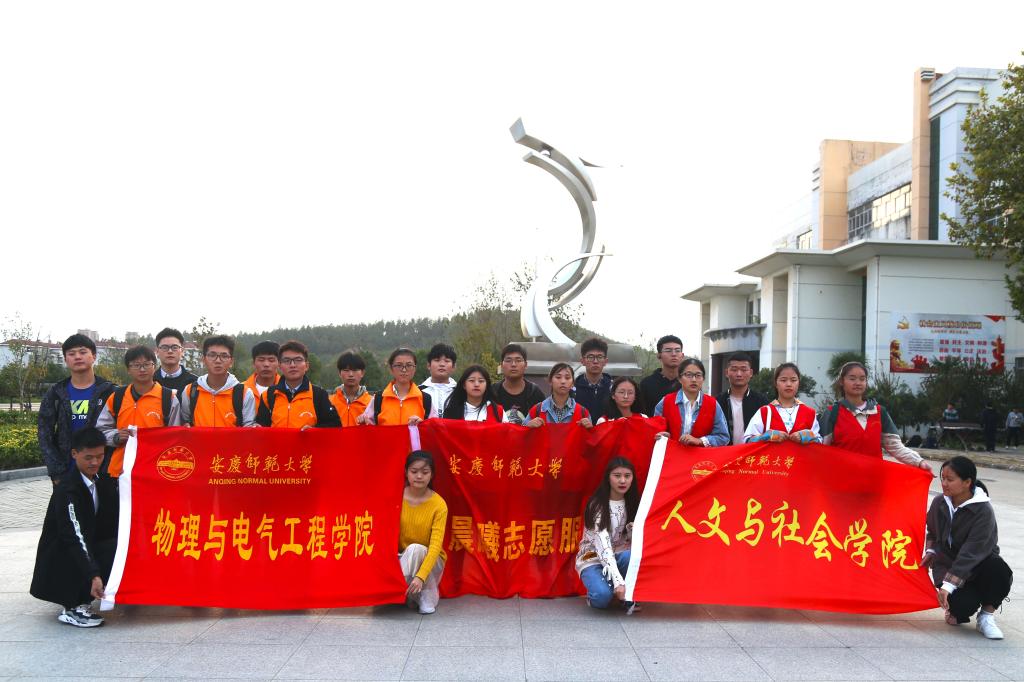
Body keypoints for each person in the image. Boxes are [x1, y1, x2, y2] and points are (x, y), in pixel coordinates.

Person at [30, 427, 118, 627]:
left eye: (99, 456)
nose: (95, 462)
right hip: (61, 557)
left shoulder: (103, 483)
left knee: (119, 546)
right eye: (88, 457)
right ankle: (74, 606)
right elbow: (74, 535)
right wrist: (93, 574)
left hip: (84, 548)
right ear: (74, 454)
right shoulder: (67, 490)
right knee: (79, 545)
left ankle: (88, 592)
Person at [924, 456, 1012, 639]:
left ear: (967, 482)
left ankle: (986, 615)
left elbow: (971, 553)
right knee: (961, 607)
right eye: (943, 478)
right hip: (947, 564)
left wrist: (948, 585)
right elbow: (931, 530)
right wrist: (931, 551)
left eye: (950, 479)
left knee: (1000, 571)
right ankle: (962, 606)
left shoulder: (983, 510)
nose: (944, 484)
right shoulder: (939, 502)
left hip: (980, 564)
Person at [819, 361, 932, 473]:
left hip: (874, 479)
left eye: (862, 379)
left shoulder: (879, 412)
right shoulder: (832, 413)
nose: (858, 383)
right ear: (841, 381)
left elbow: (895, 446)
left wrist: (919, 462)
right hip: (841, 479)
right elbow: (820, 449)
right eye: (852, 379)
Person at [38, 334, 115, 485]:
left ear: (94, 356)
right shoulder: (56, 393)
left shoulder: (110, 392)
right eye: (72, 354)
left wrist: (109, 468)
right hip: (66, 473)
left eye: (83, 352)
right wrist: (57, 472)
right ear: (66, 359)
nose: (77, 357)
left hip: (104, 472)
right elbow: (44, 434)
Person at [96, 346, 182, 477]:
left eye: (147, 364)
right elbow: (101, 430)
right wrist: (116, 436)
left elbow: (176, 437)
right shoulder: (117, 397)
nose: (142, 369)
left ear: (154, 366)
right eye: (136, 365)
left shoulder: (168, 398)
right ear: (128, 369)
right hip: (120, 471)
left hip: (155, 471)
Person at [576, 456, 639, 611]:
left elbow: (634, 542)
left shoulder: (634, 503)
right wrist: (618, 582)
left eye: (627, 476)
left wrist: (632, 531)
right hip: (593, 559)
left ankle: (625, 596)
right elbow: (603, 547)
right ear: (608, 478)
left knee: (630, 556)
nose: (622, 481)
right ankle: (606, 590)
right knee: (602, 598)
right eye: (617, 476)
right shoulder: (597, 505)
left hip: (620, 556)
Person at [399, 450, 447, 614]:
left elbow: (435, 546)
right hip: (401, 557)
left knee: (416, 549)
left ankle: (425, 593)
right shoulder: (396, 497)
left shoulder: (439, 504)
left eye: (425, 472)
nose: (419, 476)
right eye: (414, 471)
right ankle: (414, 595)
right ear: (406, 472)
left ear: (431, 475)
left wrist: (420, 576)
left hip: (431, 561)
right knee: (410, 552)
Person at [255, 341, 340, 429]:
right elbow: (261, 429)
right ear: (279, 366)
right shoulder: (268, 395)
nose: (292, 365)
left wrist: (314, 431)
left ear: (306, 366)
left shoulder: (319, 395)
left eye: (298, 360)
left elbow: (335, 426)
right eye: (287, 361)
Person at [178, 335, 257, 427]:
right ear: (203, 360)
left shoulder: (244, 393)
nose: (218, 360)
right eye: (212, 355)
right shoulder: (191, 391)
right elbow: (185, 421)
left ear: (231, 362)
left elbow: (248, 429)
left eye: (224, 356)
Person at [653, 358, 729, 447]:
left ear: (703, 379)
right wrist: (662, 435)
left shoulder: (712, 404)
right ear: (679, 378)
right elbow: (655, 431)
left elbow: (723, 437)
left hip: (701, 455)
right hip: (672, 453)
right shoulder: (666, 402)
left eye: (698, 375)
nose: (693, 380)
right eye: (688, 375)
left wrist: (700, 441)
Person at [743, 363, 820, 444]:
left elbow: (820, 444)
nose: (789, 384)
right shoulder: (764, 412)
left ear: (799, 383)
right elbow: (747, 440)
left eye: (793, 380)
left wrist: (808, 436)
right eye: (783, 380)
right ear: (775, 383)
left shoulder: (810, 413)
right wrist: (766, 437)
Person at [362, 348, 431, 426]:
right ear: (391, 369)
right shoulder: (378, 399)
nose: (404, 370)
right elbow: (368, 427)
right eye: (399, 365)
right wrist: (363, 422)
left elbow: (434, 429)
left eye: (409, 365)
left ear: (415, 368)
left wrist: (422, 425)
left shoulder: (426, 400)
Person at [716, 351, 769, 445]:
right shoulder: (717, 402)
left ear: (751, 373)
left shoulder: (762, 402)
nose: (739, 374)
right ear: (727, 372)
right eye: (734, 369)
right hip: (725, 452)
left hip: (752, 452)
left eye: (744, 370)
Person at [526, 363, 593, 428]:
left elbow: (591, 435)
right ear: (550, 381)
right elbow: (522, 433)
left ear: (572, 383)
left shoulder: (582, 412)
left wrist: (589, 429)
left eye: (567, 378)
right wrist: (528, 426)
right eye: (558, 377)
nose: (563, 381)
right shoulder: (537, 410)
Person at [493, 343, 545, 424]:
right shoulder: (492, 392)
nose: (513, 364)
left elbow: (543, 422)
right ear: (502, 365)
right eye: (508, 360)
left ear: (525, 365)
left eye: (518, 360)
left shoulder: (535, 393)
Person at [638, 335, 683, 420]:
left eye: (677, 350)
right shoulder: (647, 384)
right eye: (668, 350)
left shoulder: (688, 383)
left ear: (682, 355)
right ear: (659, 355)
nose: (674, 354)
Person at [330, 351, 374, 427]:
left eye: (355, 370)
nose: (351, 374)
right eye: (346, 370)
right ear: (339, 373)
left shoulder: (371, 403)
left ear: (362, 373)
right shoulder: (329, 402)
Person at [573, 337, 613, 421]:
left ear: (605, 361)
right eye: (590, 357)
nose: (595, 361)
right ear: (582, 361)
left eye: (600, 357)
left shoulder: (613, 389)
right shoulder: (573, 389)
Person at [152, 328, 198, 394]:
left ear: (182, 351)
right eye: (165, 347)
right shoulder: (150, 381)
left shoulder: (195, 382)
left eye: (174, 347)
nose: (170, 351)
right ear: (157, 351)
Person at [418, 343, 457, 418]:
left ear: (453, 367)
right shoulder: (418, 392)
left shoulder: (461, 392)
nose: (442, 364)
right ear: (428, 365)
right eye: (437, 360)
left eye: (447, 361)